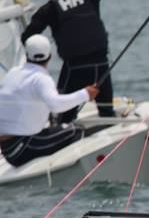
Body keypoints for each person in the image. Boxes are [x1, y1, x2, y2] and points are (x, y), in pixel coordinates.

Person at [21, 0, 131, 122]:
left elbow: (27, 38)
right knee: (107, 113)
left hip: (74, 70)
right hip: (102, 66)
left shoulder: (48, 10)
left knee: (62, 119)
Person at [0, 35, 98, 167]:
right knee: (75, 130)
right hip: (24, 147)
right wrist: (85, 94)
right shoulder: (41, 78)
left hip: (8, 150)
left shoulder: (13, 73)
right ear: (50, 56)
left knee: (58, 130)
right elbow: (56, 105)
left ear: (26, 54)